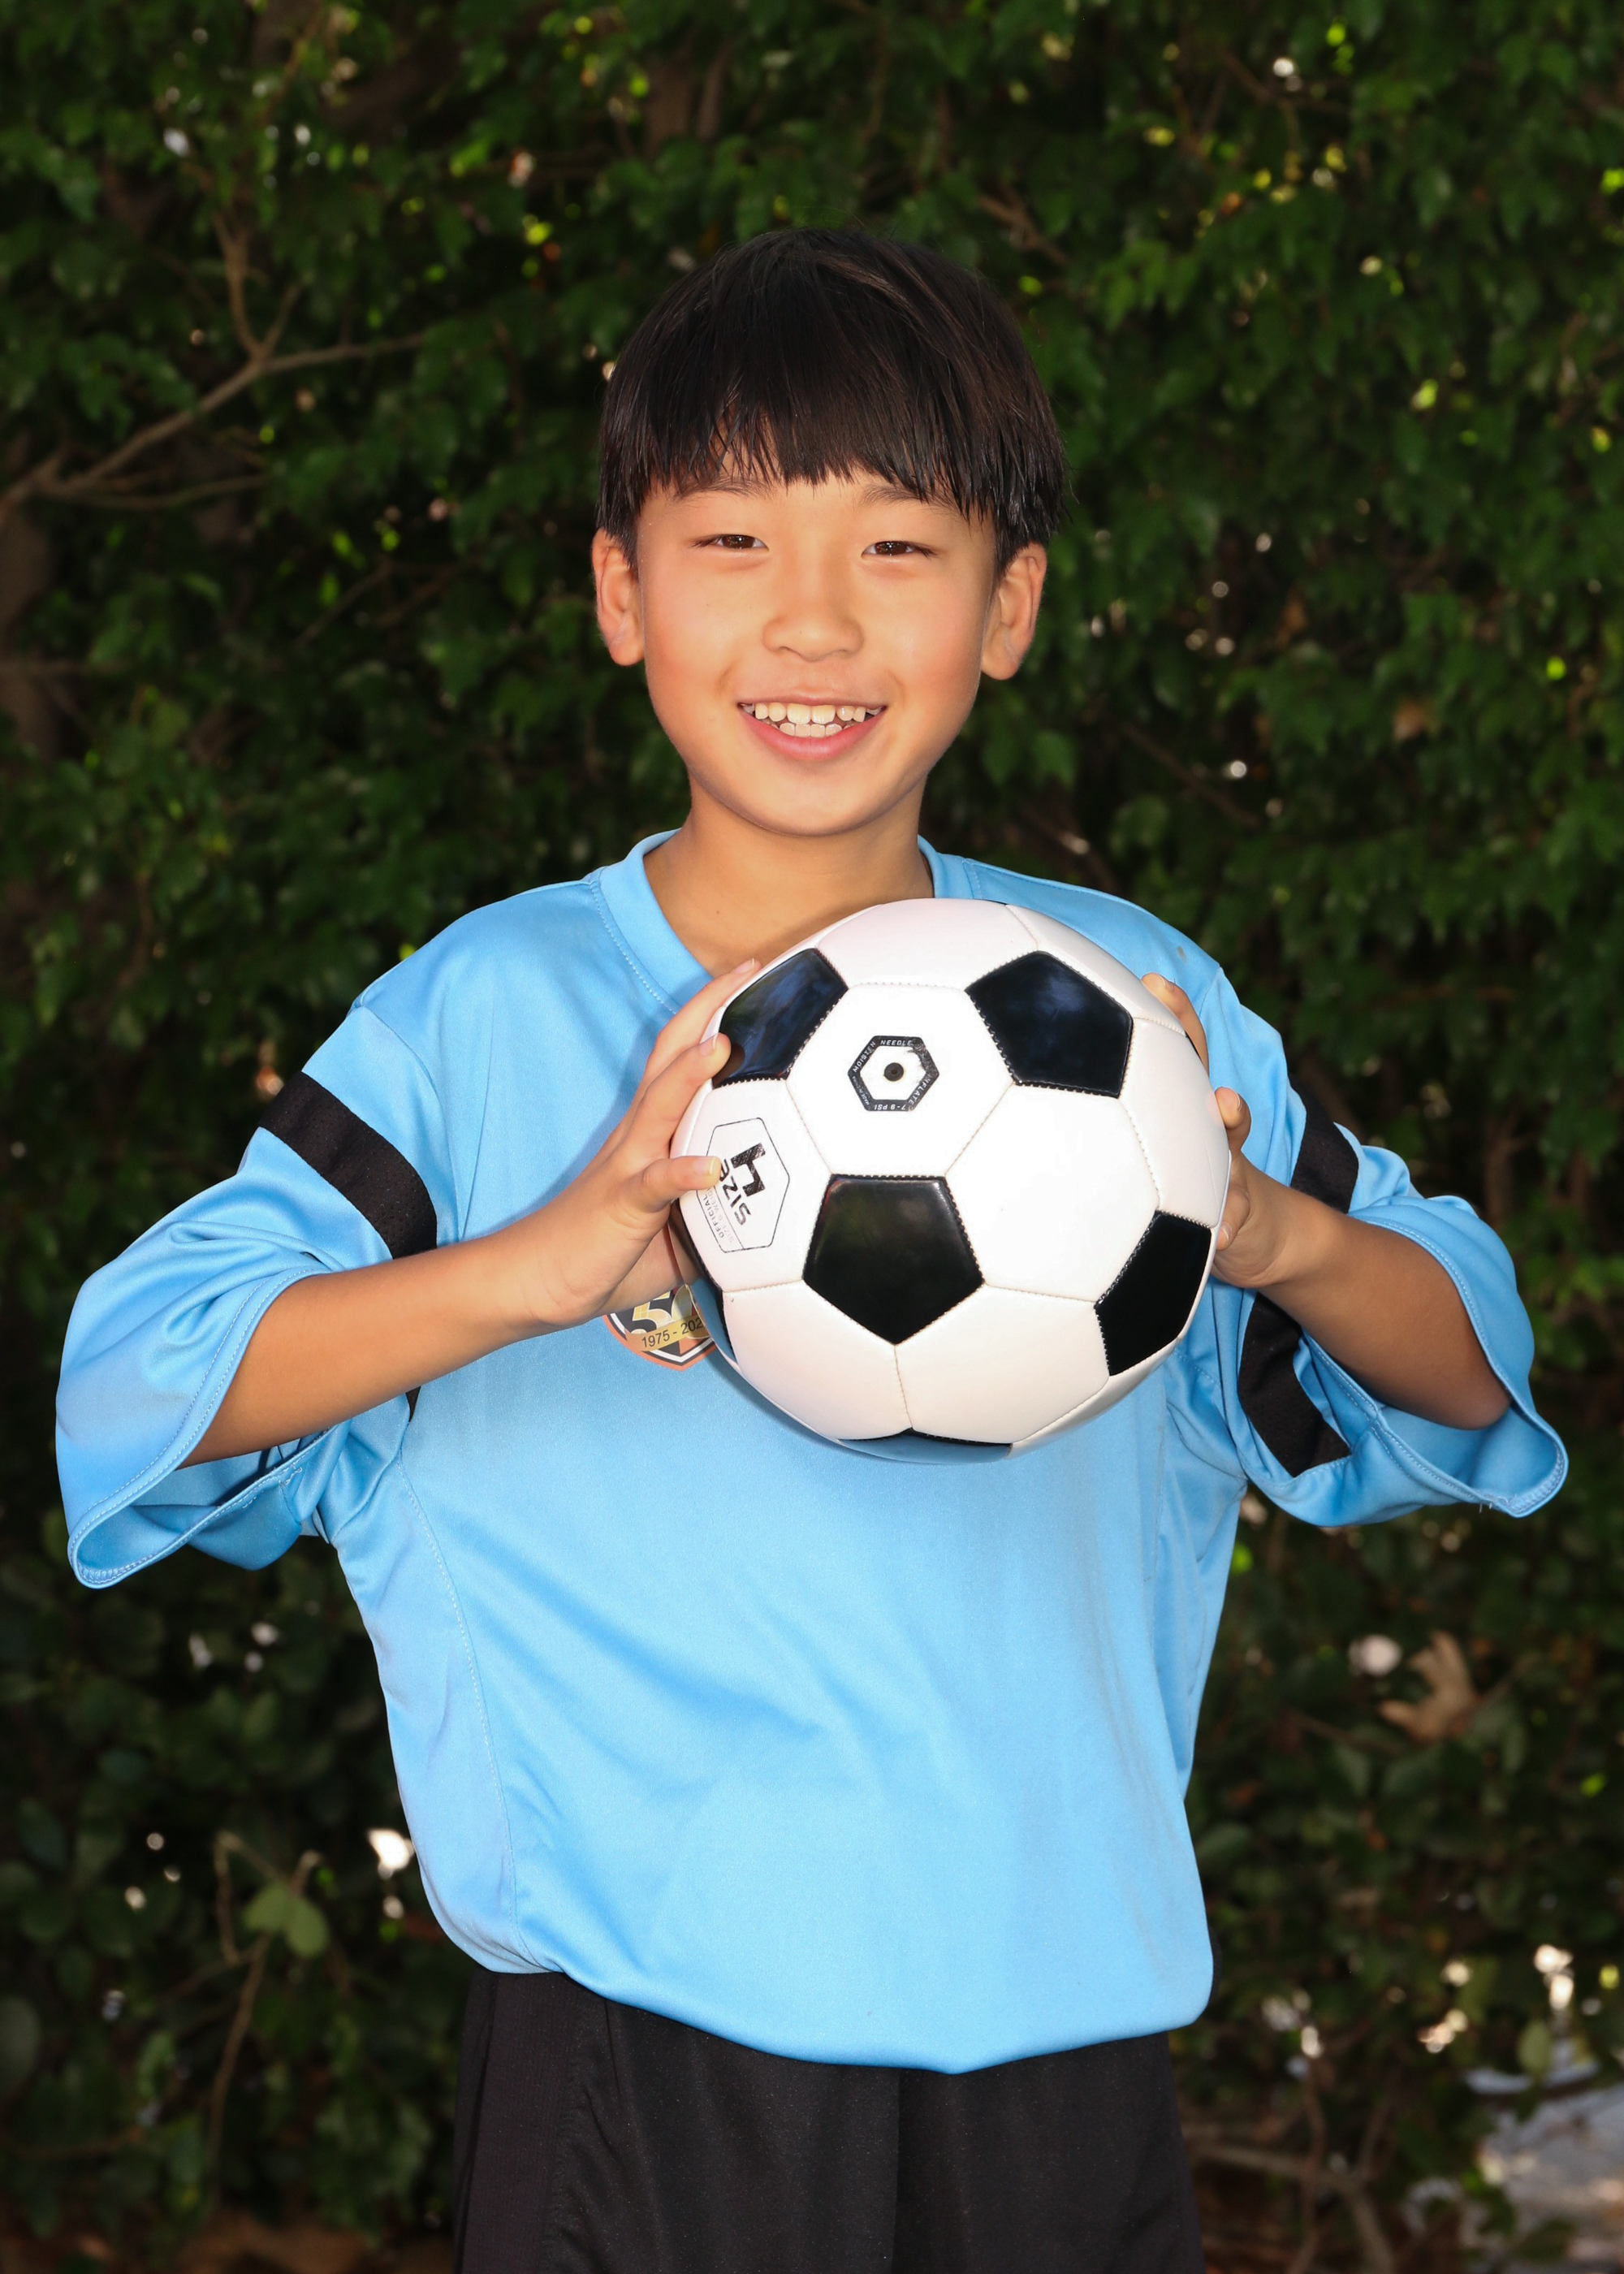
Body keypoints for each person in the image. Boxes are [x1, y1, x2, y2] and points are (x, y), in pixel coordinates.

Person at [57, 231, 1565, 2274]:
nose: (815, 620)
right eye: (735, 539)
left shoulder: (1128, 1013)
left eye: (898, 546)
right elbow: (138, 1381)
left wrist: (1269, 1230)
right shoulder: (485, 1017)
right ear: (621, 591)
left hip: (1064, 2031)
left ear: (1009, 607)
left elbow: (1468, 1368)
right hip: (642, 2038)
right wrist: (542, 1261)